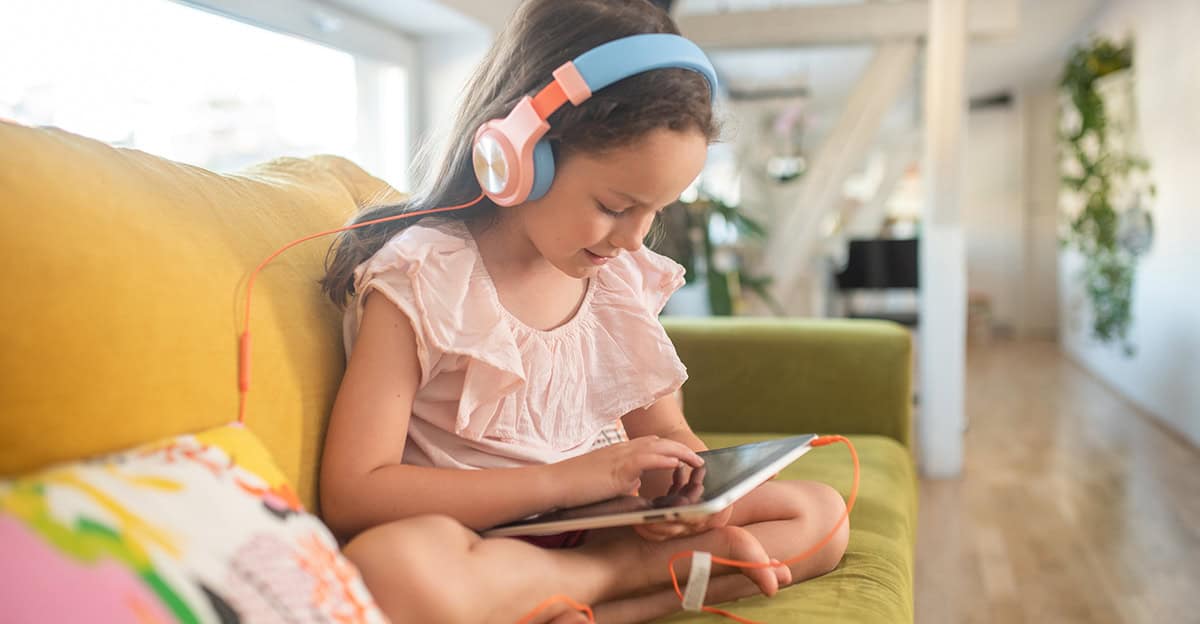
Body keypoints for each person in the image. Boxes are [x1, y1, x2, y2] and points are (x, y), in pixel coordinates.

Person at [317, 1, 848, 622]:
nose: (632, 238)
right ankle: (622, 581)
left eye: (656, 212)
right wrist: (571, 480)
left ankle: (591, 591)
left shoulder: (614, 277)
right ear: (521, 155)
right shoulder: (422, 277)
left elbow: (667, 431)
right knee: (394, 572)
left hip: (597, 526)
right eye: (615, 204)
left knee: (821, 516)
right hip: (481, 541)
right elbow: (353, 494)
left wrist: (689, 495)